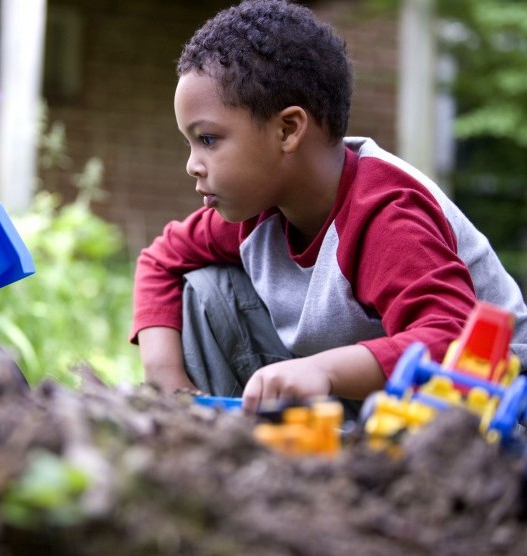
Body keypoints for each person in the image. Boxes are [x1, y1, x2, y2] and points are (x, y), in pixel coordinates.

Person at [130, 0, 527, 414]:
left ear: (288, 130)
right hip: (367, 390)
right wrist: (166, 377)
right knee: (206, 287)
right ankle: (219, 432)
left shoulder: (385, 212)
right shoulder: (257, 209)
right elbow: (161, 259)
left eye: (208, 140)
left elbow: (452, 338)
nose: (192, 165)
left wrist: (326, 371)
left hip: (492, 402)